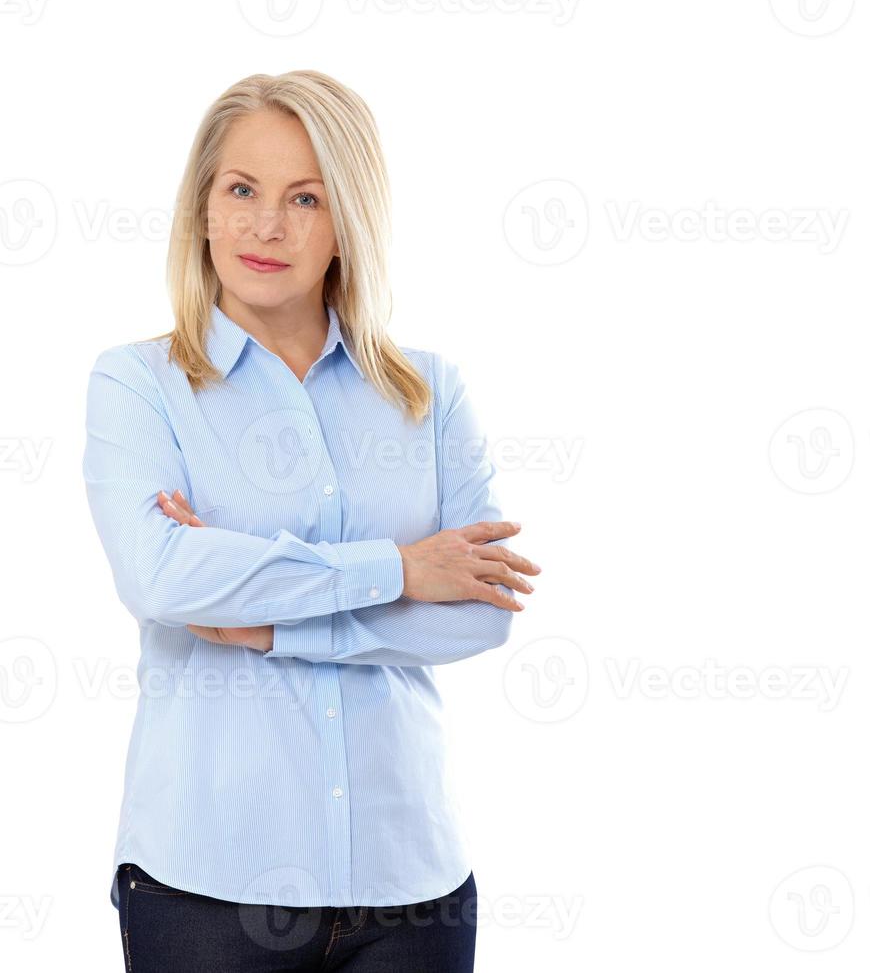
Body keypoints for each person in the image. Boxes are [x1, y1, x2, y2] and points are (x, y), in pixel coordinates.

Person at [82, 69, 540, 972]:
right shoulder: (138, 385)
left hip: (409, 882)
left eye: (305, 198)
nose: (265, 226)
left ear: (347, 223)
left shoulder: (429, 391)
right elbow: (161, 578)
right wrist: (403, 570)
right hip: (206, 880)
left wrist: (262, 625)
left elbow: (482, 610)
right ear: (202, 205)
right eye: (241, 190)